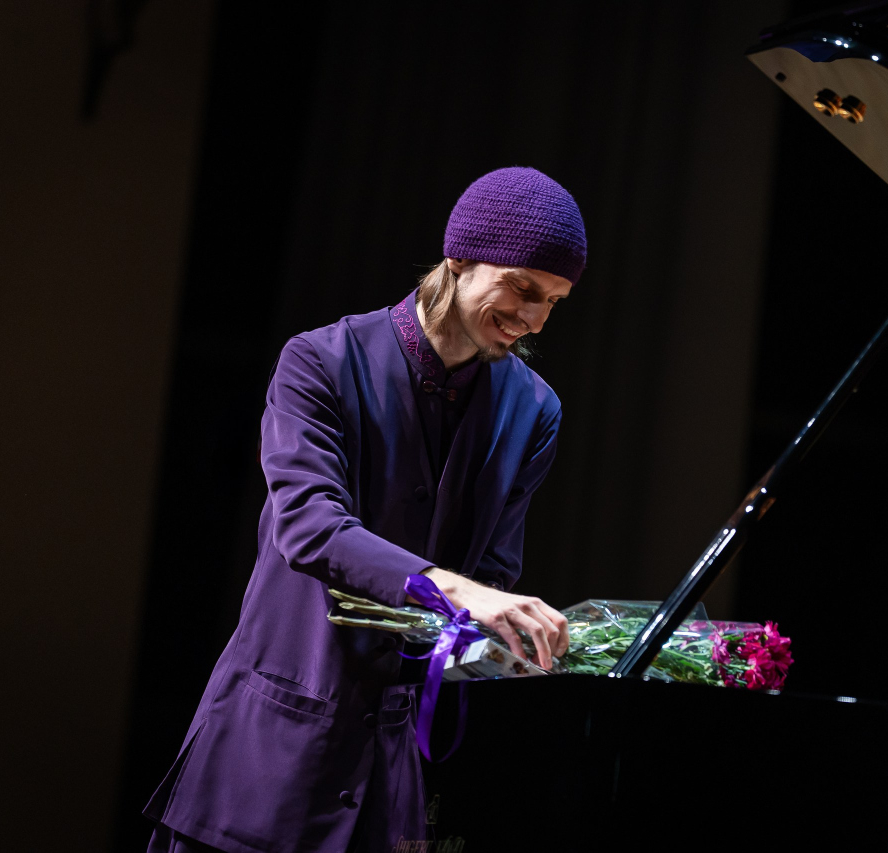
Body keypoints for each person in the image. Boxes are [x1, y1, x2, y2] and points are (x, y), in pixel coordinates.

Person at [143, 166, 586, 853]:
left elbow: (494, 574)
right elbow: (310, 528)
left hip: (392, 774)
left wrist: (526, 646)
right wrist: (461, 592)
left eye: (553, 301)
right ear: (459, 259)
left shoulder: (535, 409)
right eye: (522, 288)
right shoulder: (319, 361)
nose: (533, 318)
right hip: (270, 752)